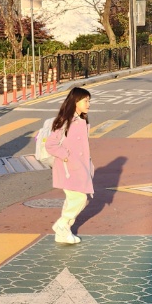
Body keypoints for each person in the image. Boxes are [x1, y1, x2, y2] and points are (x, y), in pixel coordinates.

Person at [44, 87, 93, 244]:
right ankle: (62, 224)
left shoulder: (82, 121)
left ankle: (63, 233)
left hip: (80, 168)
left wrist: (89, 166)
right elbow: (50, 145)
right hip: (68, 168)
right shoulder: (65, 121)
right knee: (79, 198)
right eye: (85, 101)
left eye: (89, 101)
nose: (88, 104)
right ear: (75, 101)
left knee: (73, 200)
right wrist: (66, 156)